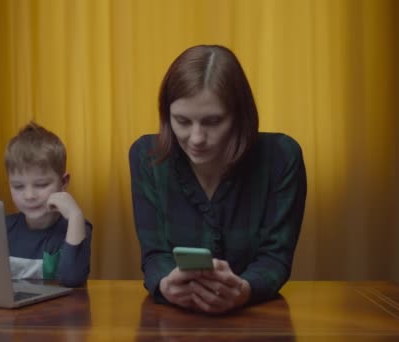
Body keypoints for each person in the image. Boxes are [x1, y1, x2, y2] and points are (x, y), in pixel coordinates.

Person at [129, 44, 307, 314]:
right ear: (167, 116)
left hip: (253, 321)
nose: (197, 138)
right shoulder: (146, 157)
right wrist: (165, 284)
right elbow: (154, 255)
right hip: (174, 320)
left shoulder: (282, 158)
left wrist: (244, 290)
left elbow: (275, 259)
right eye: (182, 121)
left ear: (239, 116)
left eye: (212, 121)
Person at [4, 122, 91, 287]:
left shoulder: (76, 226)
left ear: (63, 182)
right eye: (18, 186)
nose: (29, 196)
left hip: (56, 311)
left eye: (41, 184)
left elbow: (72, 279)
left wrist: (75, 216)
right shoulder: (3, 228)